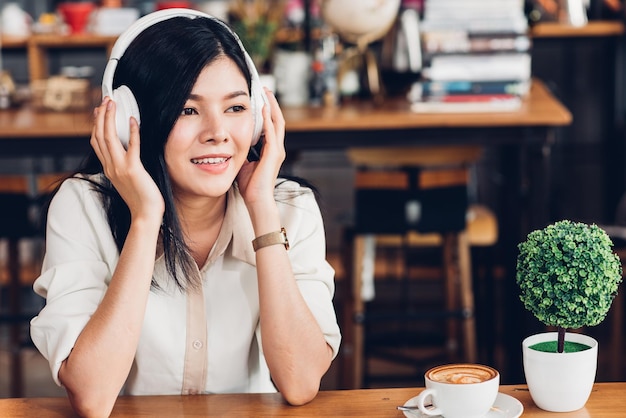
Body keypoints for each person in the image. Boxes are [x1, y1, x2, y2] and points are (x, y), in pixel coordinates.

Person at [30, 9, 341, 418]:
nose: (218, 132)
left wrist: (263, 209)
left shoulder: (289, 207)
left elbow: (300, 383)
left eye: (235, 108)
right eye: (188, 110)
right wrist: (145, 220)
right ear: (130, 122)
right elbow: (92, 396)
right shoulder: (83, 206)